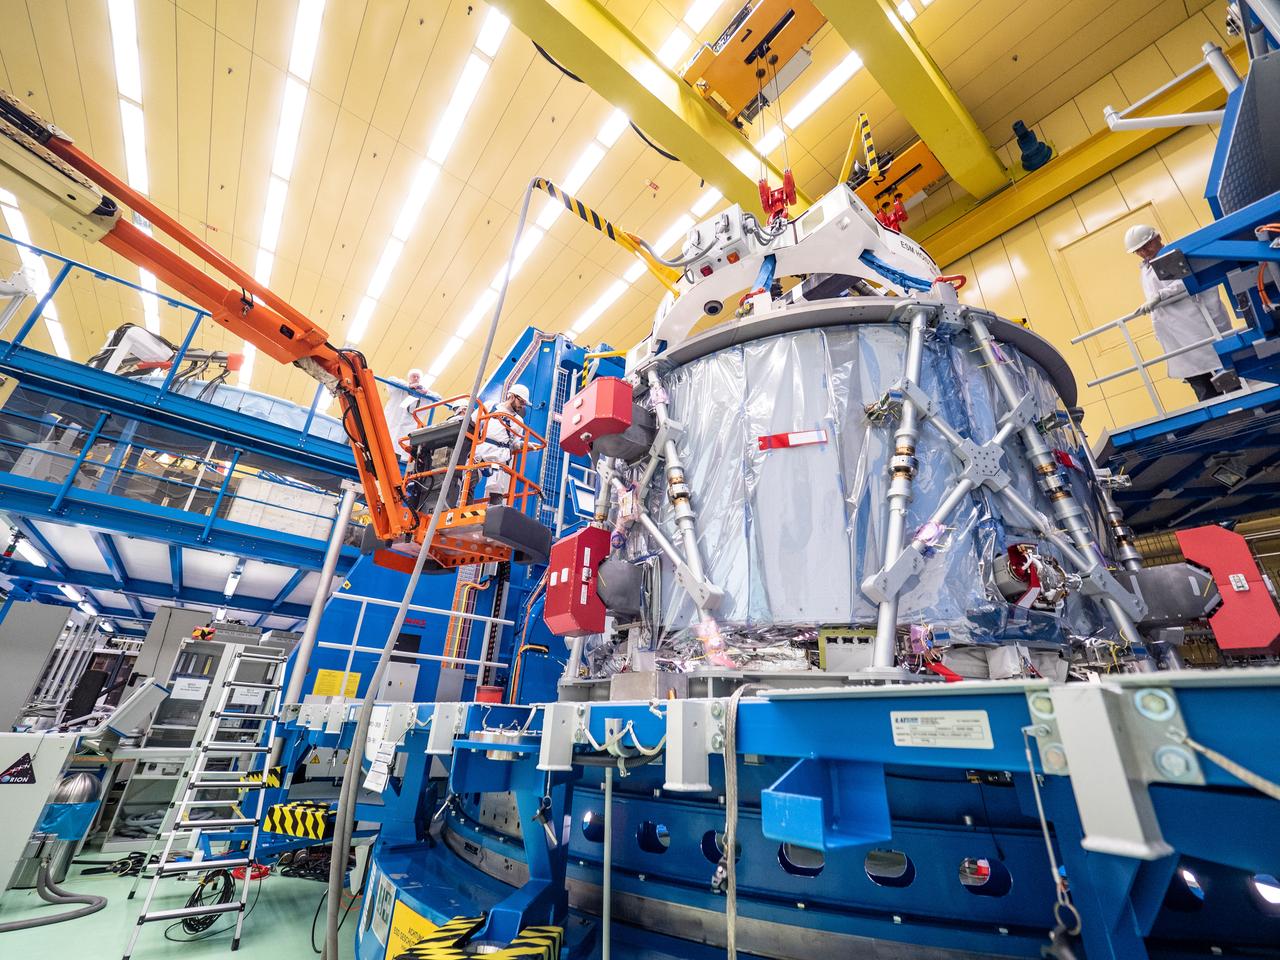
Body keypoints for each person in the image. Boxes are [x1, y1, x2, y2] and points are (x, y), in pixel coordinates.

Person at [1125, 224, 1233, 402]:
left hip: (1195, 325)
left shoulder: (1174, 256)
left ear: (1158, 238)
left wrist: (1161, 295)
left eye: (1146, 246)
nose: (1144, 252)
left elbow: (1187, 281)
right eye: (1138, 250)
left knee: (1219, 367)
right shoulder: (1145, 271)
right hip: (1174, 332)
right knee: (1198, 380)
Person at [475, 384, 531, 505]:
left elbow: (514, 443)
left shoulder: (518, 421)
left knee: (497, 489)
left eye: (524, 404)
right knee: (469, 479)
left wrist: (524, 445)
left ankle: (494, 513)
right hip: (481, 450)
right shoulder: (491, 406)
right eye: (521, 402)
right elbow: (473, 423)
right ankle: (463, 506)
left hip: (500, 456)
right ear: (512, 396)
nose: (522, 406)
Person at [382, 368, 425, 460]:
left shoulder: (423, 396)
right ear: (409, 378)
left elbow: (438, 397)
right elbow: (390, 380)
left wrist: (425, 392)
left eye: (418, 377)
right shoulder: (399, 388)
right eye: (413, 376)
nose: (416, 378)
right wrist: (408, 386)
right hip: (391, 424)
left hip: (404, 436)